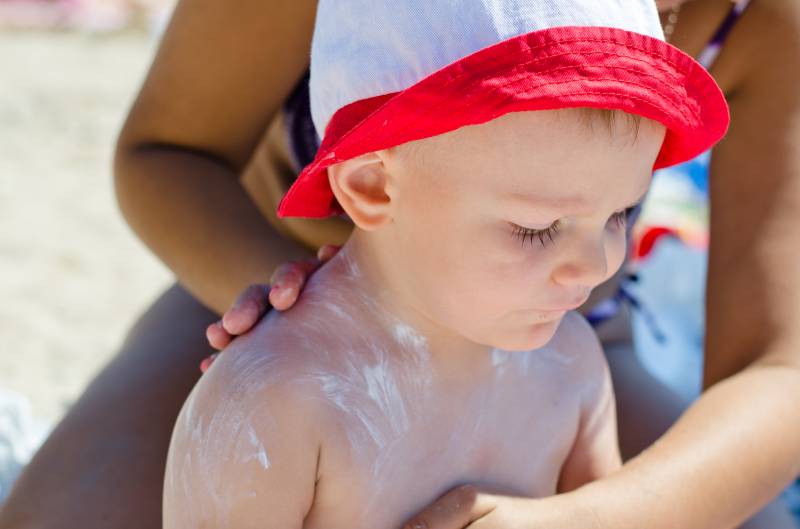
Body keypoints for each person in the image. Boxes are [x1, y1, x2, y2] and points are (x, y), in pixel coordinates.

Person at [0, 0, 797, 528]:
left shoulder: (764, 18)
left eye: (620, 212)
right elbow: (165, 149)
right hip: (264, 295)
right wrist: (325, 314)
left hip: (556, 325)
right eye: (531, 224)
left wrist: (607, 514)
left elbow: (781, 365)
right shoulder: (276, 372)